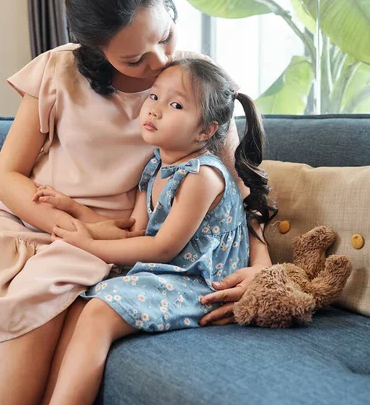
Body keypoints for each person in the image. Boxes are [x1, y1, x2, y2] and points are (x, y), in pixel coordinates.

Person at [0, 0, 272, 405]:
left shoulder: (197, 85)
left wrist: (261, 268)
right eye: (134, 59)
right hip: (24, 225)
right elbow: (6, 176)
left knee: (9, 367)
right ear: (96, 51)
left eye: (166, 35)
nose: (161, 61)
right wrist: (66, 225)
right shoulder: (58, 71)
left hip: (102, 247)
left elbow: (234, 192)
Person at [36, 58, 276, 405]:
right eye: (153, 97)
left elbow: (162, 247)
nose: (155, 110)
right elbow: (133, 231)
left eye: (175, 105)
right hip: (168, 274)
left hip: (200, 282)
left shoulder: (201, 177)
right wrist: (74, 209)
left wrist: (89, 245)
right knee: (76, 305)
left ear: (205, 131)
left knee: (99, 313)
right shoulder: (155, 166)